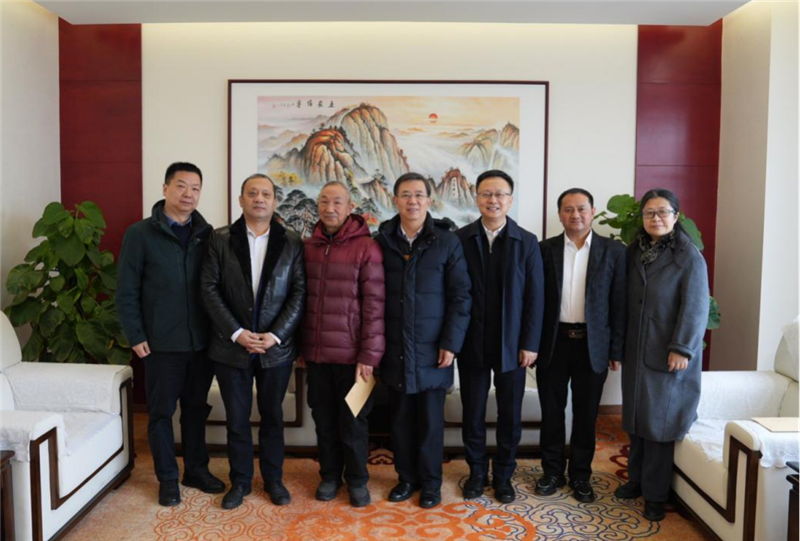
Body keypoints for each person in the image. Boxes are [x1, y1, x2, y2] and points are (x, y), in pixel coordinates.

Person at [117, 162, 224, 506]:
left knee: (195, 409)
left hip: (201, 342)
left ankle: (196, 470)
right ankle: (167, 478)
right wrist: (135, 334)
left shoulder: (208, 234)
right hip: (160, 344)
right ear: (165, 189)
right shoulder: (140, 234)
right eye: (181, 186)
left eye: (195, 188)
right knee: (161, 413)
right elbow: (126, 290)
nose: (188, 194)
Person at [200, 173, 306, 509]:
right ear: (241, 200)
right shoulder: (219, 239)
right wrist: (237, 332)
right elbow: (208, 288)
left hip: (276, 350)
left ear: (275, 201)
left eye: (266, 194)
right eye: (252, 193)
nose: (259, 199)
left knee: (273, 418)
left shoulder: (291, 241)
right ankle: (241, 481)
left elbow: (299, 292)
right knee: (237, 419)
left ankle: (274, 481)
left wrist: (275, 335)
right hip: (231, 346)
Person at [376, 172, 472, 509]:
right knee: (400, 421)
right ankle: (406, 478)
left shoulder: (446, 241)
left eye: (419, 194)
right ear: (395, 200)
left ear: (429, 200)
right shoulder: (382, 240)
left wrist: (451, 343)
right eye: (406, 194)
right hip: (395, 347)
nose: (412, 201)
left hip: (434, 349)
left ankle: (431, 483)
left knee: (431, 423)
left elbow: (461, 296)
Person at [615, 188, 709, 521]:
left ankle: (656, 495)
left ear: (676, 216)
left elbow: (696, 307)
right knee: (637, 419)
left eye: (663, 212)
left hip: (668, 351)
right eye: (649, 213)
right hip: (637, 349)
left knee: (660, 424)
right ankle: (637, 480)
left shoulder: (688, 256)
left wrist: (682, 348)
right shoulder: (634, 251)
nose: (656, 218)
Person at [455, 170, 544, 503]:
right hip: (472, 343)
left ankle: (504, 475)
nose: (493, 200)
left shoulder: (526, 241)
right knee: (473, 413)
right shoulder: (461, 239)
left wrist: (530, 343)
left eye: (500, 194)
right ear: (476, 197)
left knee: (509, 414)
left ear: (510, 199)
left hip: (513, 346)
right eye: (486, 194)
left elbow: (536, 297)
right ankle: (477, 472)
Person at [535, 188, 627, 503]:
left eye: (581, 209)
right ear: (560, 214)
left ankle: (581, 475)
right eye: (568, 209)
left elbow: (619, 304)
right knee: (552, 412)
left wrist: (616, 350)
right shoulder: (544, 250)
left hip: (593, 344)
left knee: (586, 415)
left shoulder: (613, 251)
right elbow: (534, 301)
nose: (575, 215)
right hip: (553, 343)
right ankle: (551, 472)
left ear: (592, 212)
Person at [299, 181, 386, 508]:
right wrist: (302, 348)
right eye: (324, 201)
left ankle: (358, 480)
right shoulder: (308, 246)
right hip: (318, 356)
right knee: (324, 420)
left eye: (337, 202)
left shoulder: (367, 248)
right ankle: (329, 476)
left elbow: (374, 306)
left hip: (354, 359)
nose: (330, 208)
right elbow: (300, 301)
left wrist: (369, 356)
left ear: (350, 207)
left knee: (354, 423)